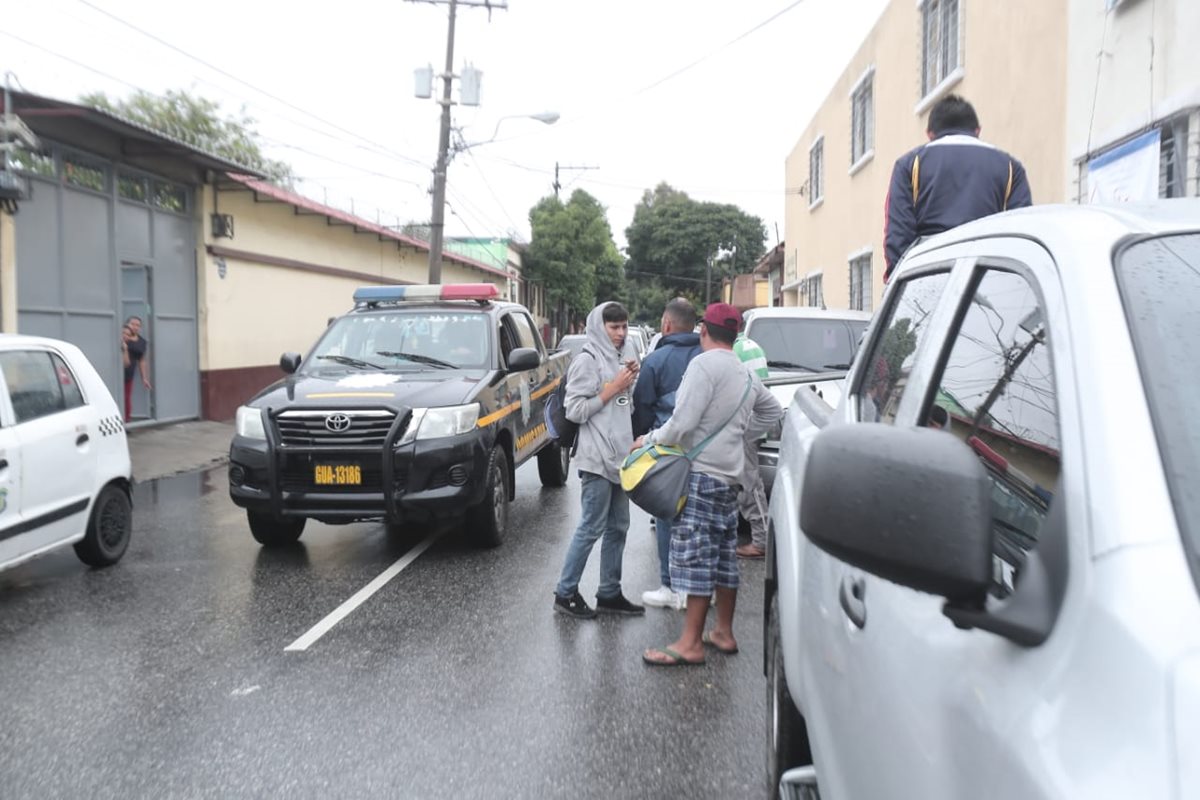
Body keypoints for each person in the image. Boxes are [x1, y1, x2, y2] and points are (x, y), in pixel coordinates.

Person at [635, 303, 782, 666]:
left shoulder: (702, 365)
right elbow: (773, 412)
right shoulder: (744, 372)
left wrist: (648, 440)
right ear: (734, 335)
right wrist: (739, 436)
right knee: (722, 557)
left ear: (704, 331)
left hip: (700, 477)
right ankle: (723, 632)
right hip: (730, 480)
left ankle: (690, 644)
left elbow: (681, 425)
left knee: (698, 557)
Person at [552, 301, 645, 619]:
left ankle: (609, 592)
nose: (620, 333)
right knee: (591, 526)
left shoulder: (622, 356)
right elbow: (574, 410)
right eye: (614, 327)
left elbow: (622, 407)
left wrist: (628, 385)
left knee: (619, 526)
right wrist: (613, 388)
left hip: (620, 456)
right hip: (595, 457)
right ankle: (565, 593)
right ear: (599, 326)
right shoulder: (587, 360)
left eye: (623, 327)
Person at [884, 94, 1032, 282]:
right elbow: (1020, 236)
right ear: (977, 131)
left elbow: (898, 238)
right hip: (989, 284)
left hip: (927, 282)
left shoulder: (910, 165)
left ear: (930, 134)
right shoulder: (1011, 168)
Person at [630, 298, 702, 611]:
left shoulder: (656, 360)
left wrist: (639, 439)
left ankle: (670, 585)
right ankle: (700, 590)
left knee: (666, 517)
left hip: (667, 450)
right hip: (705, 450)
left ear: (666, 324)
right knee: (700, 520)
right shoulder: (707, 355)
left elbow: (643, 407)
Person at [733, 330, 770, 560]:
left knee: (750, 483)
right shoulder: (752, 345)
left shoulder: (734, 351)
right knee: (747, 481)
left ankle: (761, 541)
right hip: (755, 420)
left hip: (745, 423)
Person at [121, 316, 151, 422]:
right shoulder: (123, 336)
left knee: (126, 398)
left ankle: (126, 421)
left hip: (129, 374)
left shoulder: (142, 342)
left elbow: (142, 360)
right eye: (133, 324)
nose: (135, 327)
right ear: (127, 324)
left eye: (138, 325)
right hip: (117, 373)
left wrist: (144, 378)